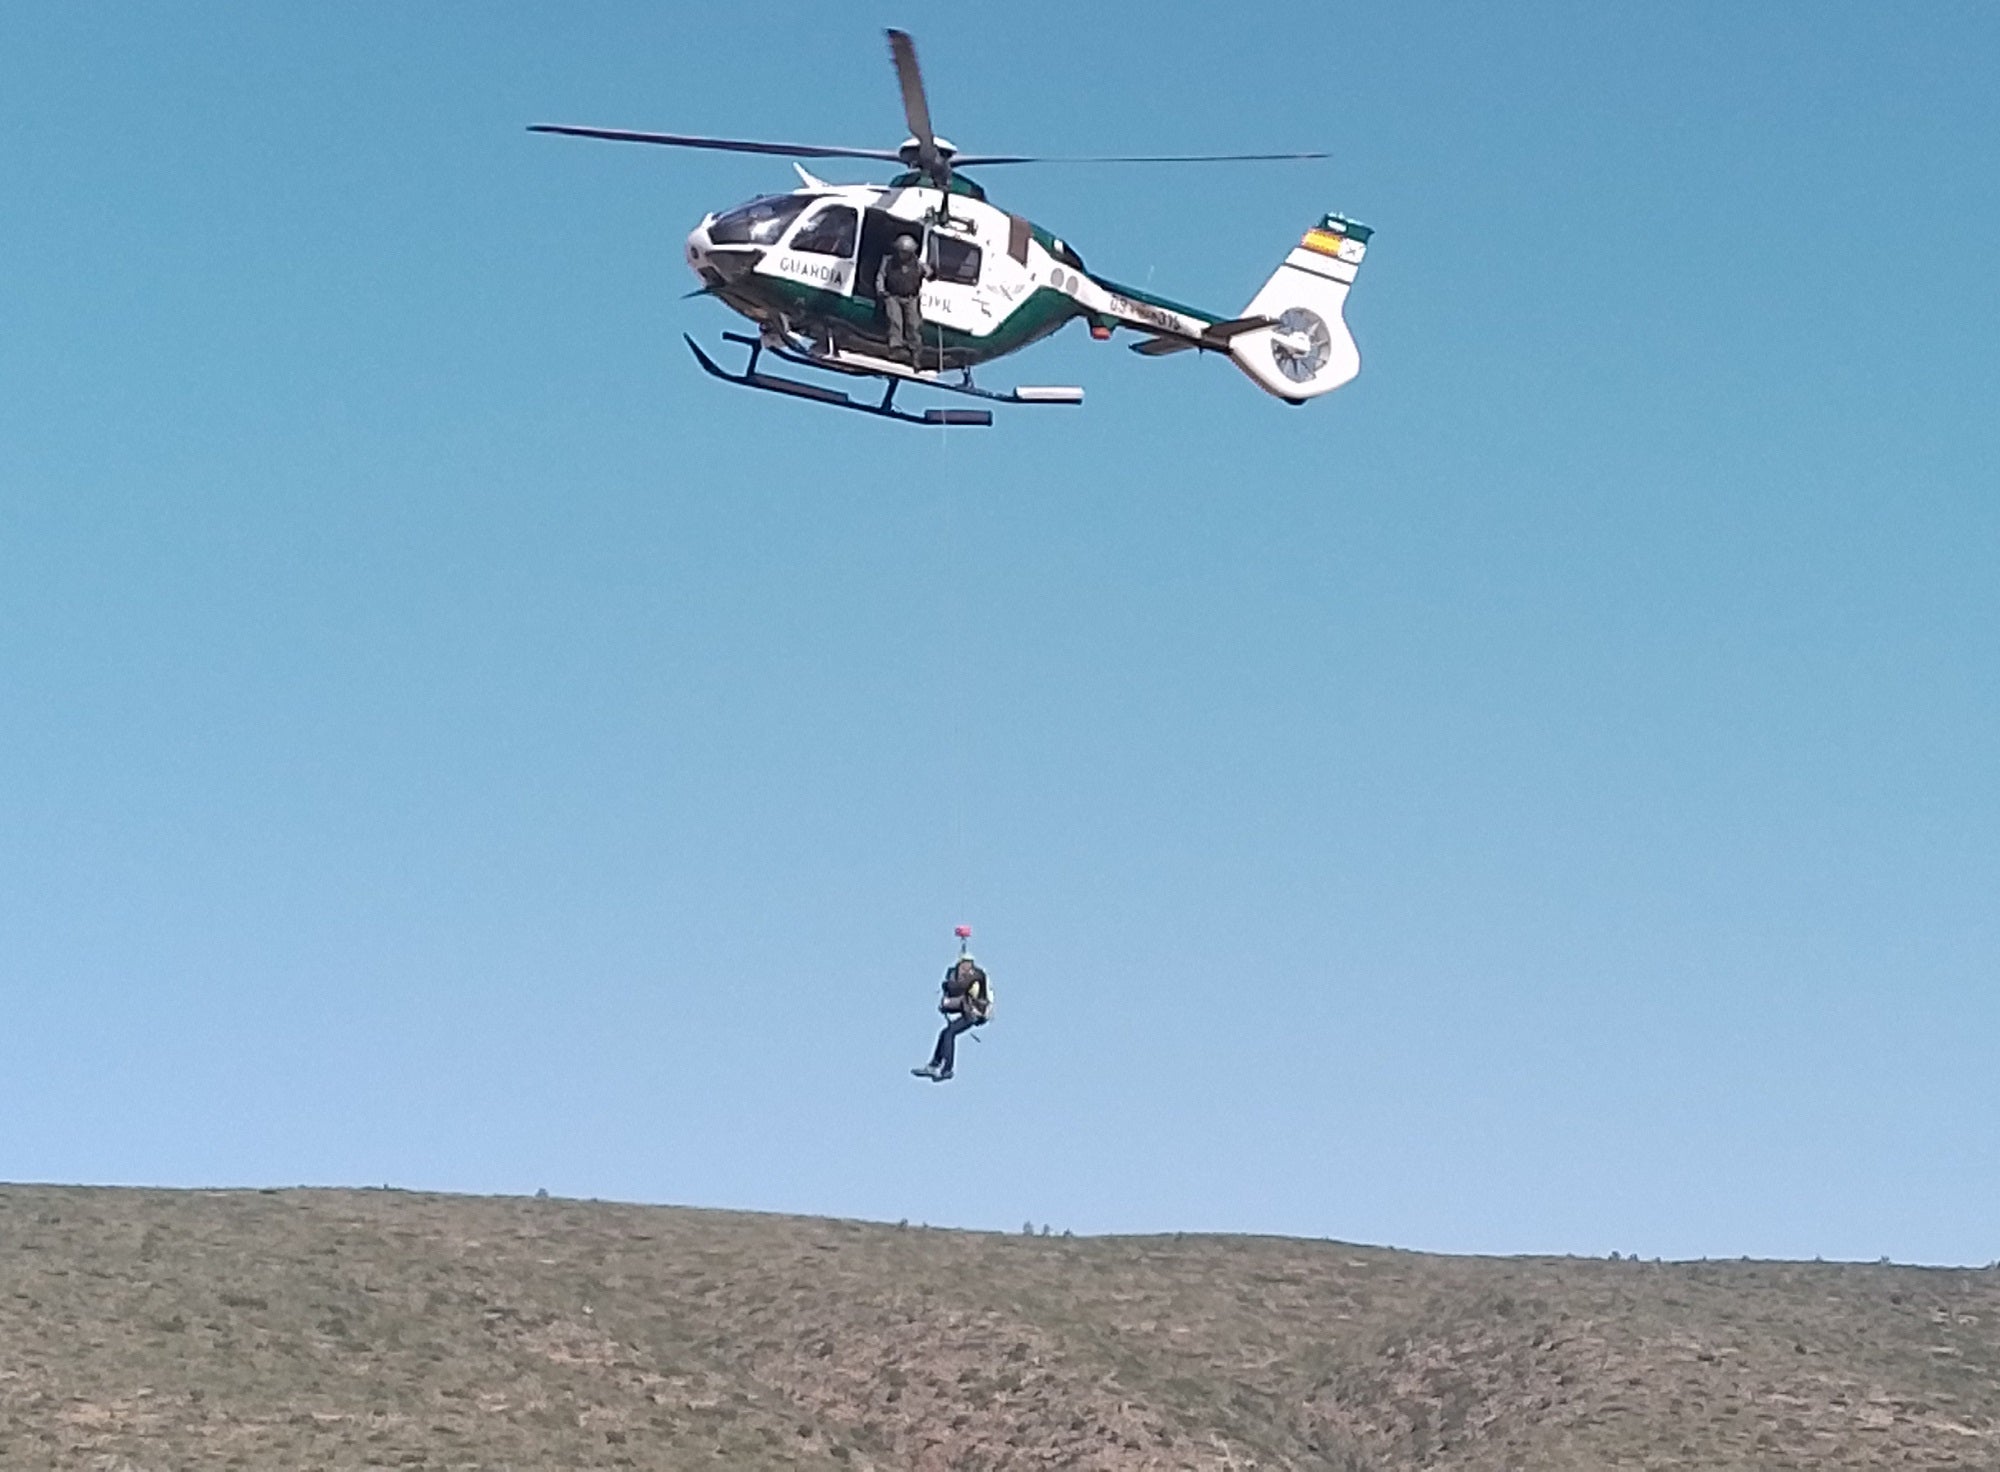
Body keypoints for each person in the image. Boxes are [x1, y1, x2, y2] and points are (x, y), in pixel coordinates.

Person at [913, 951, 991, 1082]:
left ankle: (947, 1069)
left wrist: (948, 987)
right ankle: (935, 1064)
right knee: (944, 1033)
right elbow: (961, 998)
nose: (963, 967)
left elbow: (960, 991)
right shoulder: (973, 976)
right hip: (970, 1012)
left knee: (949, 1034)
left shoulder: (974, 977)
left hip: (972, 1014)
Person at [875, 233, 931, 364]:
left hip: (911, 298)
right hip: (893, 296)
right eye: (901, 252)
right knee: (895, 320)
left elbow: (929, 273)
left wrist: (931, 273)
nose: (902, 255)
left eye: (905, 252)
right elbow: (881, 275)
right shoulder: (888, 261)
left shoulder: (917, 264)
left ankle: (915, 351)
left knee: (913, 323)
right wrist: (881, 290)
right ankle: (895, 348)